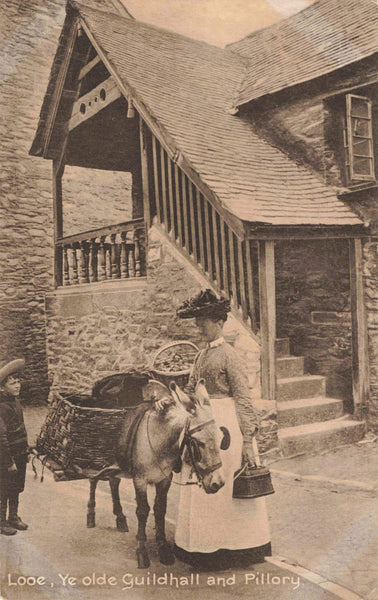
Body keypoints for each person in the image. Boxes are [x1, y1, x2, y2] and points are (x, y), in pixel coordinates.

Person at [174, 289, 271, 569]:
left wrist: (248, 442)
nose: (199, 326)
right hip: (204, 427)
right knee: (202, 483)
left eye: (204, 320)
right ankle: (205, 549)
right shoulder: (200, 356)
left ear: (219, 323)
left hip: (227, 429)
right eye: (197, 321)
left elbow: (242, 397)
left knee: (226, 487)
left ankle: (236, 548)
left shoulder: (229, 354)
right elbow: (191, 391)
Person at [0, 359, 29, 535]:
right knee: (4, 488)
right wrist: (9, 462)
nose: (17, 386)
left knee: (16, 487)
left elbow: (19, 429)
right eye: (12, 383)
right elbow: (2, 438)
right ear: (2, 388)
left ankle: (13, 517)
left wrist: (27, 447)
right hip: (6, 456)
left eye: (18, 382)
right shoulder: (2, 407)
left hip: (19, 453)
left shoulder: (15, 402)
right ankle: (2, 522)